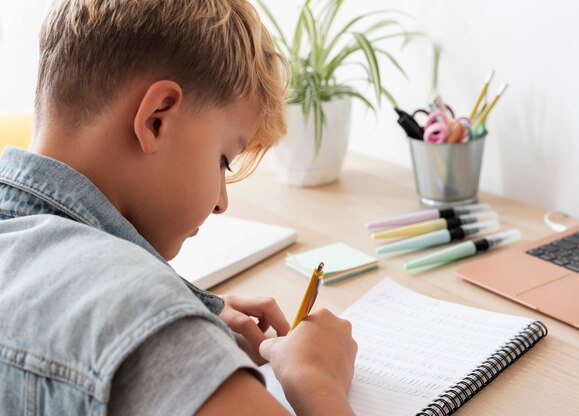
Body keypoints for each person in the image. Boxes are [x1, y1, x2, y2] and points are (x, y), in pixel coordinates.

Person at [0, 0, 357, 415]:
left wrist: (194, 310)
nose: (222, 201)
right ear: (157, 118)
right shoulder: (141, 322)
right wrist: (318, 379)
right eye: (224, 159)